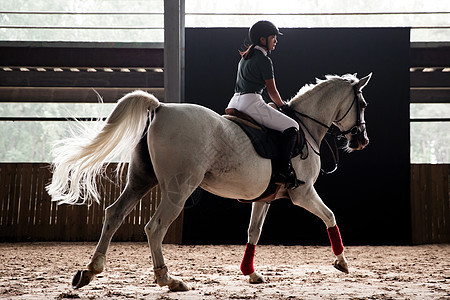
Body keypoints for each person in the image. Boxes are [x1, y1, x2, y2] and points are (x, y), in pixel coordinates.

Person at [227, 20, 300, 190]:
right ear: (262, 40)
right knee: (292, 126)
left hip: (234, 102)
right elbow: (272, 92)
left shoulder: (245, 58)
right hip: (251, 102)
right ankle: (283, 171)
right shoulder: (264, 60)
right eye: (273, 37)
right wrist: (283, 106)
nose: (276, 41)